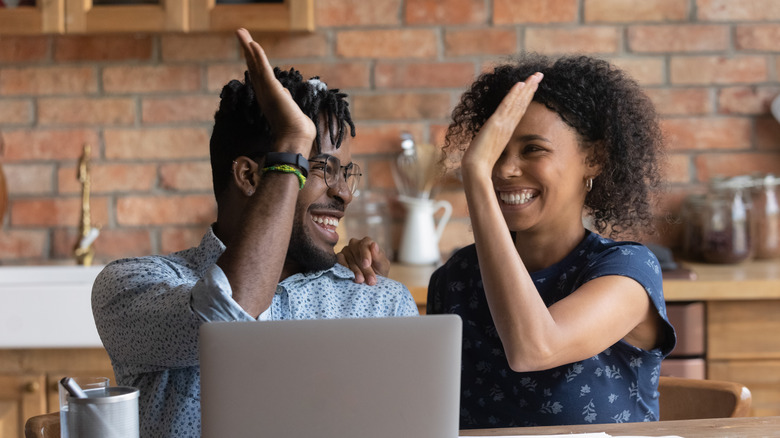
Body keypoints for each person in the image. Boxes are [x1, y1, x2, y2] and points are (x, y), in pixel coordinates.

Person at [92, 28, 417, 438]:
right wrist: (293, 142)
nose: (344, 193)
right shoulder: (132, 287)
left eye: (346, 172)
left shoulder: (379, 301)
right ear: (250, 176)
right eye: (319, 168)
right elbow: (229, 314)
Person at [426, 54, 677, 428]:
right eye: (496, 152)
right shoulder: (457, 277)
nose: (505, 170)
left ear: (594, 158)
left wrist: (476, 173)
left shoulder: (627, 273)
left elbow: (534, 348)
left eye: (533, 149)